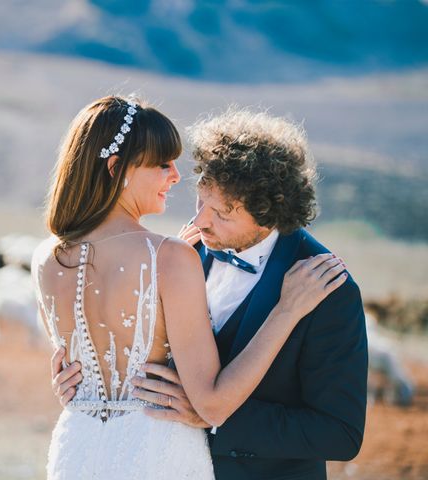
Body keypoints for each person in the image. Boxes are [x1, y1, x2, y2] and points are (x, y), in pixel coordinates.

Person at [36, 96, 349, 480]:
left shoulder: (46, 258)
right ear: (116, 168)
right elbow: (213, 405)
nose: (175, 175)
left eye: (219, 211)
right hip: (155, 454)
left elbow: (85, 365)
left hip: (77, 450)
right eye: (162, 164)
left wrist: (81, 387)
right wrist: (285, 312)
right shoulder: (171, 257)